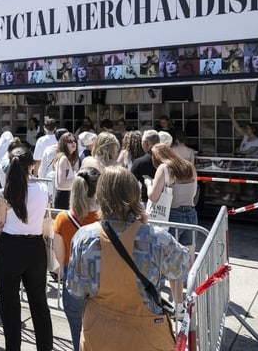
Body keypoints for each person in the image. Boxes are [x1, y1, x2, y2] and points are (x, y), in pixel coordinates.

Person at [67, 166, 190, 350]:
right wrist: (145, 226)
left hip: (99, 334)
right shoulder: (156, 238)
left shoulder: (83, 237)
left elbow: (76, 289)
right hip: (146, 338)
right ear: (135, 196)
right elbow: (182, 267)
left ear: (100, 196)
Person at [0, 147, 53, 351]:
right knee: (39, 304)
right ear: (31, 166)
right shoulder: (43, 190)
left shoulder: (5, 193)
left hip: (9, 248)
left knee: (9, 307)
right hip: (35, 248)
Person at [145, 143, 198, 319]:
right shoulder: (189, 166)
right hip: (191, 215)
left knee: (173, 265)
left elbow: (153, 196)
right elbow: (194, 192)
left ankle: (179, 308)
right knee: (189, 263)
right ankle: (190, 302)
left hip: (173, 217)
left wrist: (148, 184)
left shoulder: (164, 168)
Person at [53, 168, 100, 351]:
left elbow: (59, 255)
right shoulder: (105, 218)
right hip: (102, 285)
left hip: (73, 284)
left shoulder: (62, 219)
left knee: (77, 338)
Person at [50, 132, 79, 209]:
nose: (73, 143)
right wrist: (77, 179)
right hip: (63, 198)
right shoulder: (63, 159)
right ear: (64, 144)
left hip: (67, 196)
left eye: (74, 141)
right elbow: (61, 184)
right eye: (70, 141)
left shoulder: (65, 158)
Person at [130, 129, 161, 202]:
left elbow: (130, 184)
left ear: (146, 143)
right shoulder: (168, 160)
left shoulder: (139, 162)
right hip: (167, 202)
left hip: (146, 200)